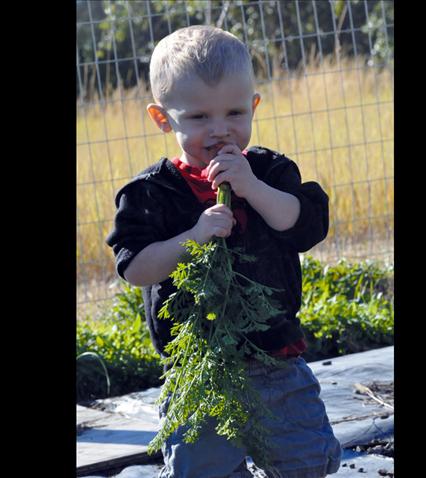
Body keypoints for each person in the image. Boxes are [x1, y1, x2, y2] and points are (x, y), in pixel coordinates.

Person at [106, 25, 342, 478]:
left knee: (304, 461)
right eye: (197, 118)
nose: (219, 130)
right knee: (204, 469)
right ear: (162, 118)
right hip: (201, 369)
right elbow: (134, 268)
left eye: (234, 112)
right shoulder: (150, 193)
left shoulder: (271, 171)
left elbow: (306, 226)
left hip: (277, 358)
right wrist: (193, 236)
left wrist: (251, 186)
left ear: (254, 105)